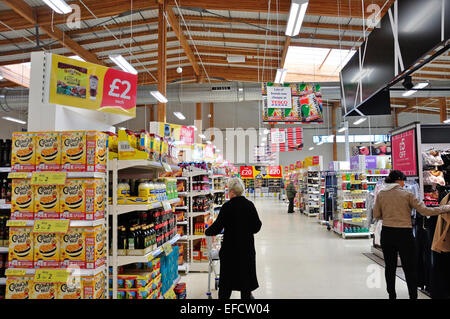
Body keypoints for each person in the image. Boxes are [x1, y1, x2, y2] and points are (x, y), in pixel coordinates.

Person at [373, 170, 450, 299]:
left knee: (389, 267)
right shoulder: (407, 195)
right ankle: (412, 296)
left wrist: (389, 216)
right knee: (410, 268)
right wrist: (445, 208)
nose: (404, 184)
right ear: (399, 180)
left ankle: (392, 295)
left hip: (387, 233)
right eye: (403, 181)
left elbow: (376, 215)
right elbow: (425, 211)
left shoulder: (381, 194)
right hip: (404, 234)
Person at [205, 177, 262, 299]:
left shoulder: (227, 206)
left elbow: (217, 227)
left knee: (226, 283)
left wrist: (207, 231)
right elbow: (257, 227)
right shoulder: (249, 205)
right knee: (245, 284)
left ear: (232, 192)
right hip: (246, 250)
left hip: (230, 251)